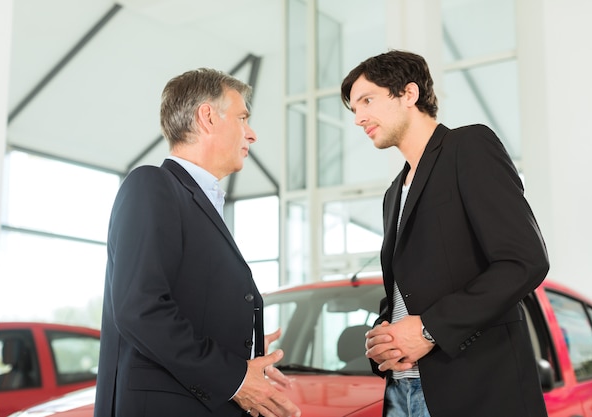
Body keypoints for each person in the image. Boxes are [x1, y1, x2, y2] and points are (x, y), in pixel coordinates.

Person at [340, 50, 549, 417]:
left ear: (408, 94)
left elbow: (523, 261)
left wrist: (429, 330)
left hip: (474, 390)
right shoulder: (394, 193)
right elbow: (407, 290)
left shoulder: (468, 147)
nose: (358, 118)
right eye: (353, 108)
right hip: (402, 392)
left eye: (367, 101)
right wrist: (384, 332)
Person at [94, 68, 301, 417]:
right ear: (207, 117)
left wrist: (241, 351)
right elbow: (140, 308)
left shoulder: (197, 201)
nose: (251, 135)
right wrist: (235, 377)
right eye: (242, 118)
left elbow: (187, 303)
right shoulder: (152, 185)